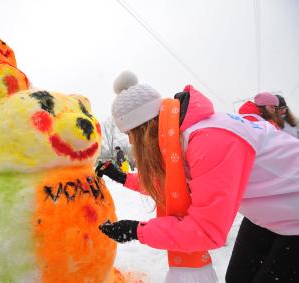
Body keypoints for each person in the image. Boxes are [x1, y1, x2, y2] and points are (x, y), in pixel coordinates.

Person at [96, 71, 299, 283]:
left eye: (131, 134)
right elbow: (167, 182)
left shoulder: (208, 141)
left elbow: (205, 230)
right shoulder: (181, 136)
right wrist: (121, 177)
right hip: (269, 214)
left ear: (145, 129)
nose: (132, 142)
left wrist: (137, 231)